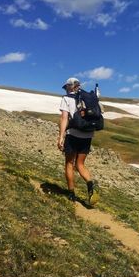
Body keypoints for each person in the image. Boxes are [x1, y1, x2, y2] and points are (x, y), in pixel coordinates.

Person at [57, 77, 99, 205]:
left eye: (66, 87)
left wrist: (61, 136)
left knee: (69, 163)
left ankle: (71, 194)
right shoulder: (89, 98)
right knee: (80, 164)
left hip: (73, 134)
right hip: (87, 135)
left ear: (71, 86)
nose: (66, 89)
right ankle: (91, 184)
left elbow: (64, 118)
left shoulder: (66, 98)